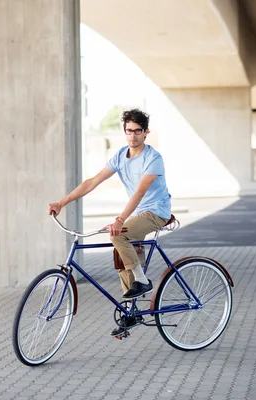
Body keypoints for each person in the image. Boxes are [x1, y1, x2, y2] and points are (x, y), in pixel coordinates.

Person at [48, 108, 172, 335]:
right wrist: (62, 202)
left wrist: (120, 219)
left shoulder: (153, 158)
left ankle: (143, 282)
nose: (132, 136)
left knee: (118, 234)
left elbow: (139, 193)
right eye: (128, 131)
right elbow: (92, 182)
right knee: (121, 254)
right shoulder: (120, 156)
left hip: (156, 212)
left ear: (145, 133)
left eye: (137, 131)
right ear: (124, 132)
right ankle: (130, 313)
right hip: (138, 214)